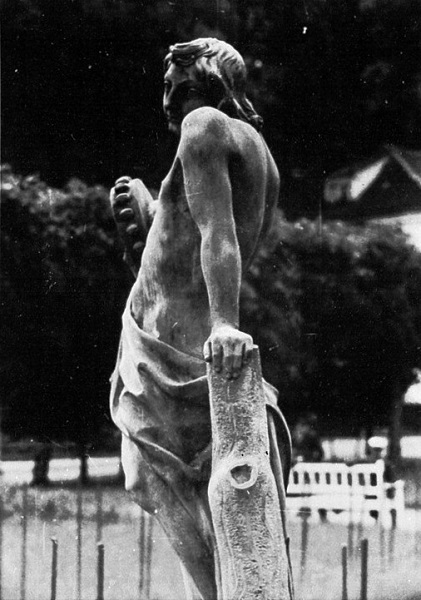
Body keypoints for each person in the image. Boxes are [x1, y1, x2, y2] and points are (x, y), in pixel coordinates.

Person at [110, 38, 291, 598]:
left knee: (150, 476)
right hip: (177, 342)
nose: (168, 102)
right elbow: (192, 241)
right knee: (190, 493)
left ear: (211, 86)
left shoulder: (203, 127)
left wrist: (224, 325)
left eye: (179, 88)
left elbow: (219, 232)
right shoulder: (254, 148)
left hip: (175, 356)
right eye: (166, 88)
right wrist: (152, 217)